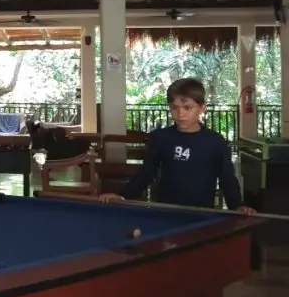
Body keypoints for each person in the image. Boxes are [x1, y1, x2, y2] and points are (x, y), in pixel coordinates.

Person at [100, 78, 255, 215]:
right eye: (174, 107)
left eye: (187, 108)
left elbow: (227, 179)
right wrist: (123, 196)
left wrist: (238, 206)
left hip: (201, 214)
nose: (180, 114)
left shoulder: (215, 142)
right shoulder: (160, 138)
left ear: (201, 108)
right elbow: (146, 173)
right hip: (164, 212)